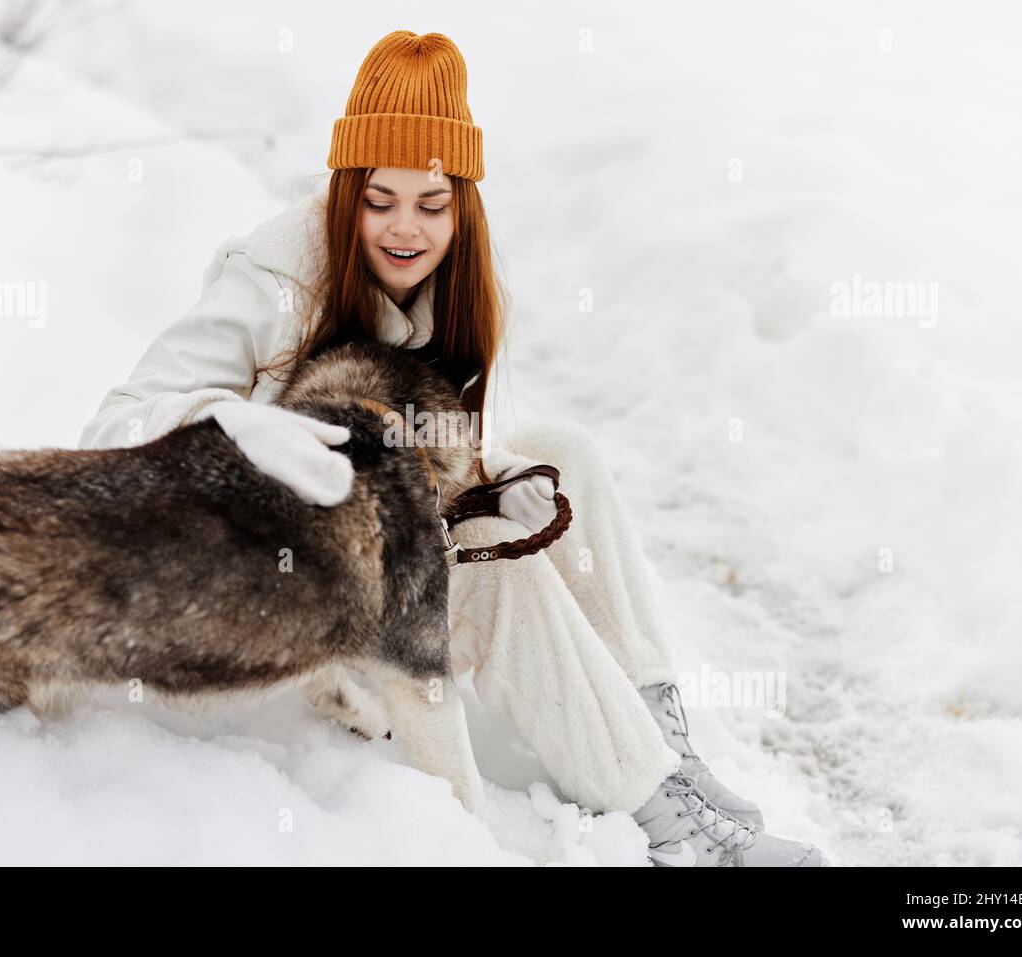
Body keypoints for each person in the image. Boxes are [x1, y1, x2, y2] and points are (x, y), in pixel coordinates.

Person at [78, 30, 827, 867]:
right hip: (280, 587)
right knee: (501, 573)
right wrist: (237, 425)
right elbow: (113, 424)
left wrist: (494, 477)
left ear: (460, 204)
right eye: (380, 200)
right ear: (347, 192)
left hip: (381, 547)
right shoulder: (275, 280)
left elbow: (424, 456)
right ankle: (668, 822)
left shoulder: (453, 284)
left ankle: (667, 750)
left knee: (564, 453)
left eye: (431, 204)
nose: (406, 228)